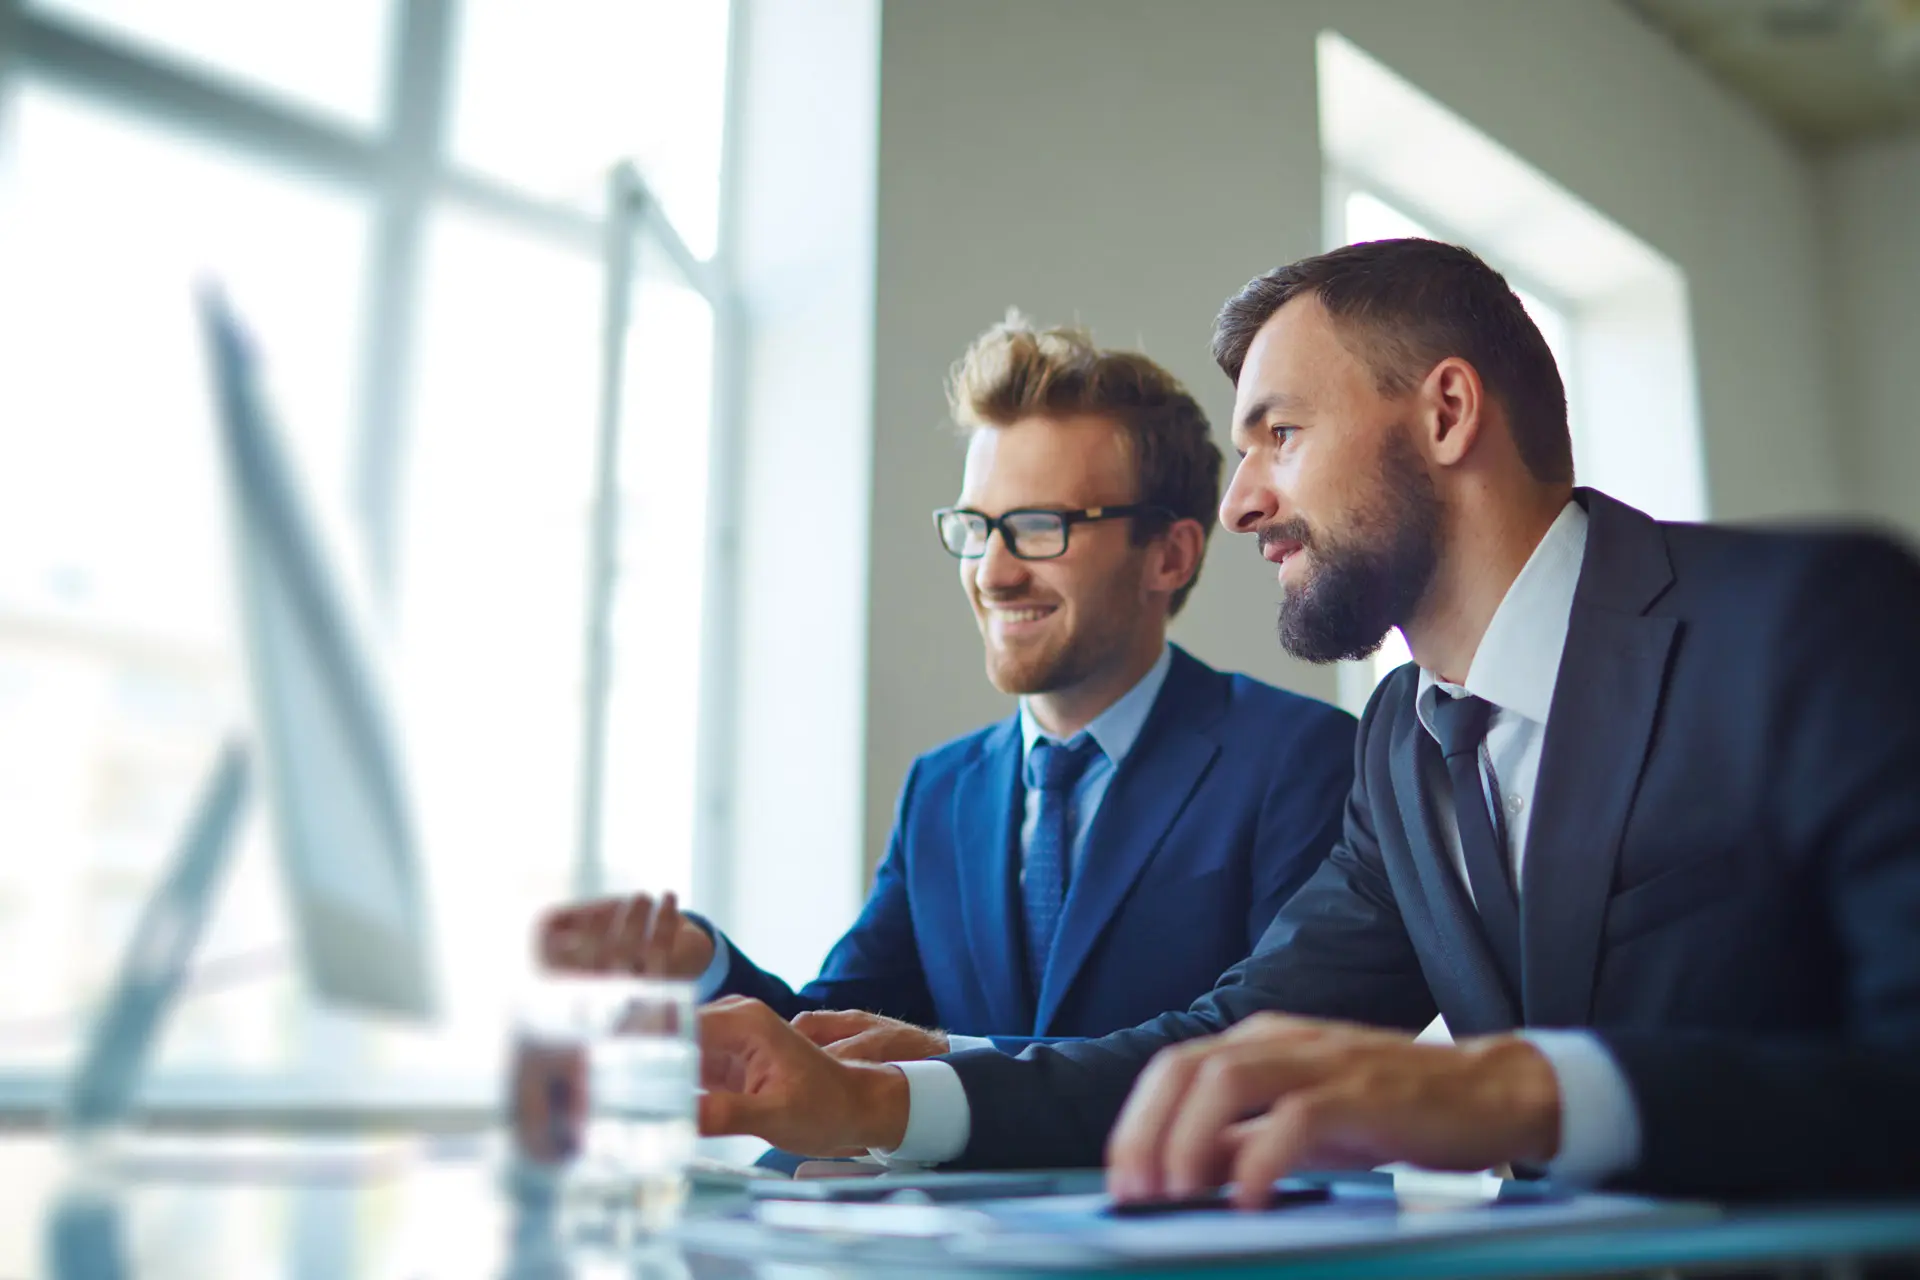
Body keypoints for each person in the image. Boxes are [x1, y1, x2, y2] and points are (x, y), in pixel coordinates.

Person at [691, 239, 1920, 1201]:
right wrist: (882, 1105)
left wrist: (1522, 1090)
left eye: (1279, 432)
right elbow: (1225, 1048)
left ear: (1446, 415)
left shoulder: (1807, 619)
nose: (1237, 504)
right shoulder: (1404, 740)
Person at [539, 317, 1356, 1063]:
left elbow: (1268, 1060)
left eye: (1040, 528)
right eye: (976, 529)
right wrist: (703, 965)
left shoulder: (1297, 760)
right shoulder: (942, 790)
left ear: (1170, 557)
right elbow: (834, 1047)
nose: (993, 573)